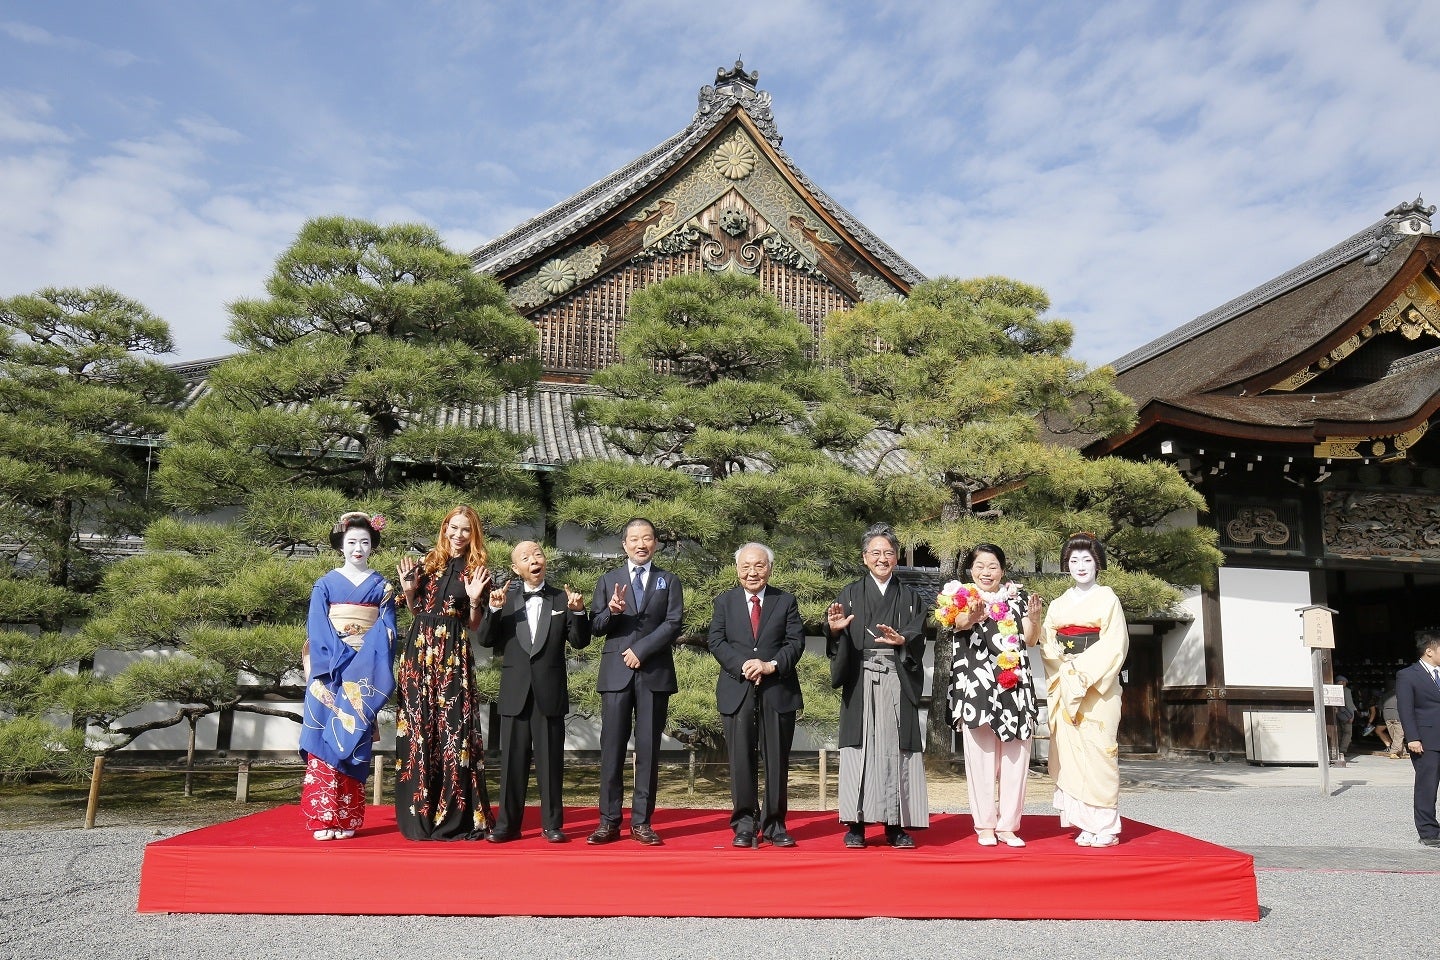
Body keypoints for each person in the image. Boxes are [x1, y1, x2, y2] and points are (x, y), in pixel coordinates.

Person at [475, 541, 591, 843]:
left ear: (545, 561)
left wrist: (578, 613)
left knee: (551, 764)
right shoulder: (506, 598)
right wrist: (494, 608)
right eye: (525, 558)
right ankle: (507, 825)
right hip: (515, 694)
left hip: (549, 693)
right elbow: (486, 639)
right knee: (512, 763)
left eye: (537, 554)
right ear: (516, 568)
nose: (533, 560)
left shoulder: (562, 599)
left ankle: (552, 825)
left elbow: (579, 642)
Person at [824, 523, 929, 849]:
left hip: (897, 677)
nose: (882, 558)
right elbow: (835, 635)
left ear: (896, 557)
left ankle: (895, 825)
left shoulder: (911, 597)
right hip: (860, 676)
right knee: (859, 750)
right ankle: (855, 824)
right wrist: (836, 631)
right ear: (864, 558)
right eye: (875, 553)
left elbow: (918, 634)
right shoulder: (850, 593)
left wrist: (903, 640)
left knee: (895, 751)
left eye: (888, 553)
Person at [393, 506, 495, 840]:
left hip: (453, 650)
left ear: (474, 533)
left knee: (454, 730)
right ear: (445, 528)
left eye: (466, 530)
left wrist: (476, 601)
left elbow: (474, 626)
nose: (458, 535)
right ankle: (418, 816)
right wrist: (408, 590)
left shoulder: (477, 570)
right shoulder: (426, 564)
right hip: (419, 652)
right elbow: (416, 610)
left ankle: (454, 815)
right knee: (419, 727)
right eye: (454, 528)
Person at [299, 512, 397, 840]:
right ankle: (323, 817)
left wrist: (360, 664)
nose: (358, 548)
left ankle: (348, 818)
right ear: (341, 545)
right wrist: (340, 661)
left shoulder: (383, 586)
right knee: (325, 741)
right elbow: (318, 626)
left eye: (365, 542)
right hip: (328, 671)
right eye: (352, 542)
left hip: (363, 675)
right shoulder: (324, 584)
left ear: (373, 546)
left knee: (352, 739)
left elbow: (386, 631)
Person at [586, 518, 683, 846]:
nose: (641, 544)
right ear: (624, 544)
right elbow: (595, 626)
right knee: (611, 749)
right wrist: (612, 611)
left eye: (647, 538)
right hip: (616, 674)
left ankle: (642, 821)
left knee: (648, 750)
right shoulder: (608, 579)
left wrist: (640, 650)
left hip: (653, 673)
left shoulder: (668, 580)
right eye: (634, 539)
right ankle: (608, 821)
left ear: (655, 543)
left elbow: (673, 623)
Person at [707, 542, 806, 848]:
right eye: (746, 566)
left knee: (776, 760)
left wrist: (769, 665)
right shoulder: (724, 602)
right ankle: (744, 824)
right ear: (737, 569)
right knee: (740, 760)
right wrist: (744, 665)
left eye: (759, 566)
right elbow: (716, 640)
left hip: (778, 690)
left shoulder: (785, 601)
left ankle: (775, 824)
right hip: (737, 689)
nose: (752, 572)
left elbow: (795, 642)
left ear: (770, 568)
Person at [947, 543, 1042, 848]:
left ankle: (1009, 826)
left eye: (992, 567)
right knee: (982, 759)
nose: (986, 572)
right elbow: (956, 624)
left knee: (1016, 758)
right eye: (979, 566)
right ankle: (985, 825)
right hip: (976, 685)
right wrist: (971, 616)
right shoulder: (960, 595)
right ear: (970, 570)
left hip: (1014, 684)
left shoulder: (1018, 596)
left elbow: (1030, 638)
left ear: (1003, 570)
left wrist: (1036, 618)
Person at [1040, 532, 1128, 848]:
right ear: (1067, 564)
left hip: (1097, 689)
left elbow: (1115, 643)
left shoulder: (1108, 599)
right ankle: (1084, 823)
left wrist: (1080, 671)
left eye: (1087, 560)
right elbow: (1047, 642)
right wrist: (1065, 667)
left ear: (1097, 564)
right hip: (1065, 680)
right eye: (1074, 560)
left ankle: (1105, 825)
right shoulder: (1058, 604)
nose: (1080, 566)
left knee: (1100, 751)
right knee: (1071, 752)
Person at [1395, 635, 1440, 848]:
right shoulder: (1407, 675)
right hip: (1426, 740)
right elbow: (1405, 708)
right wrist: (1412, 737)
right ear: (1429, 651)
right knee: (1427, 786)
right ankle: (1429, 832)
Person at [1333, 675, 1356, 764]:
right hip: (1345, 715)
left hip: (1336, 714)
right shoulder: (1346, 691)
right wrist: (1352, 716)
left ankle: (1337, 749)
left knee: (1339, 732)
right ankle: (1342, 750)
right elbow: (1349, 704)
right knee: (1347, 732)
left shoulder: (1333, 689)